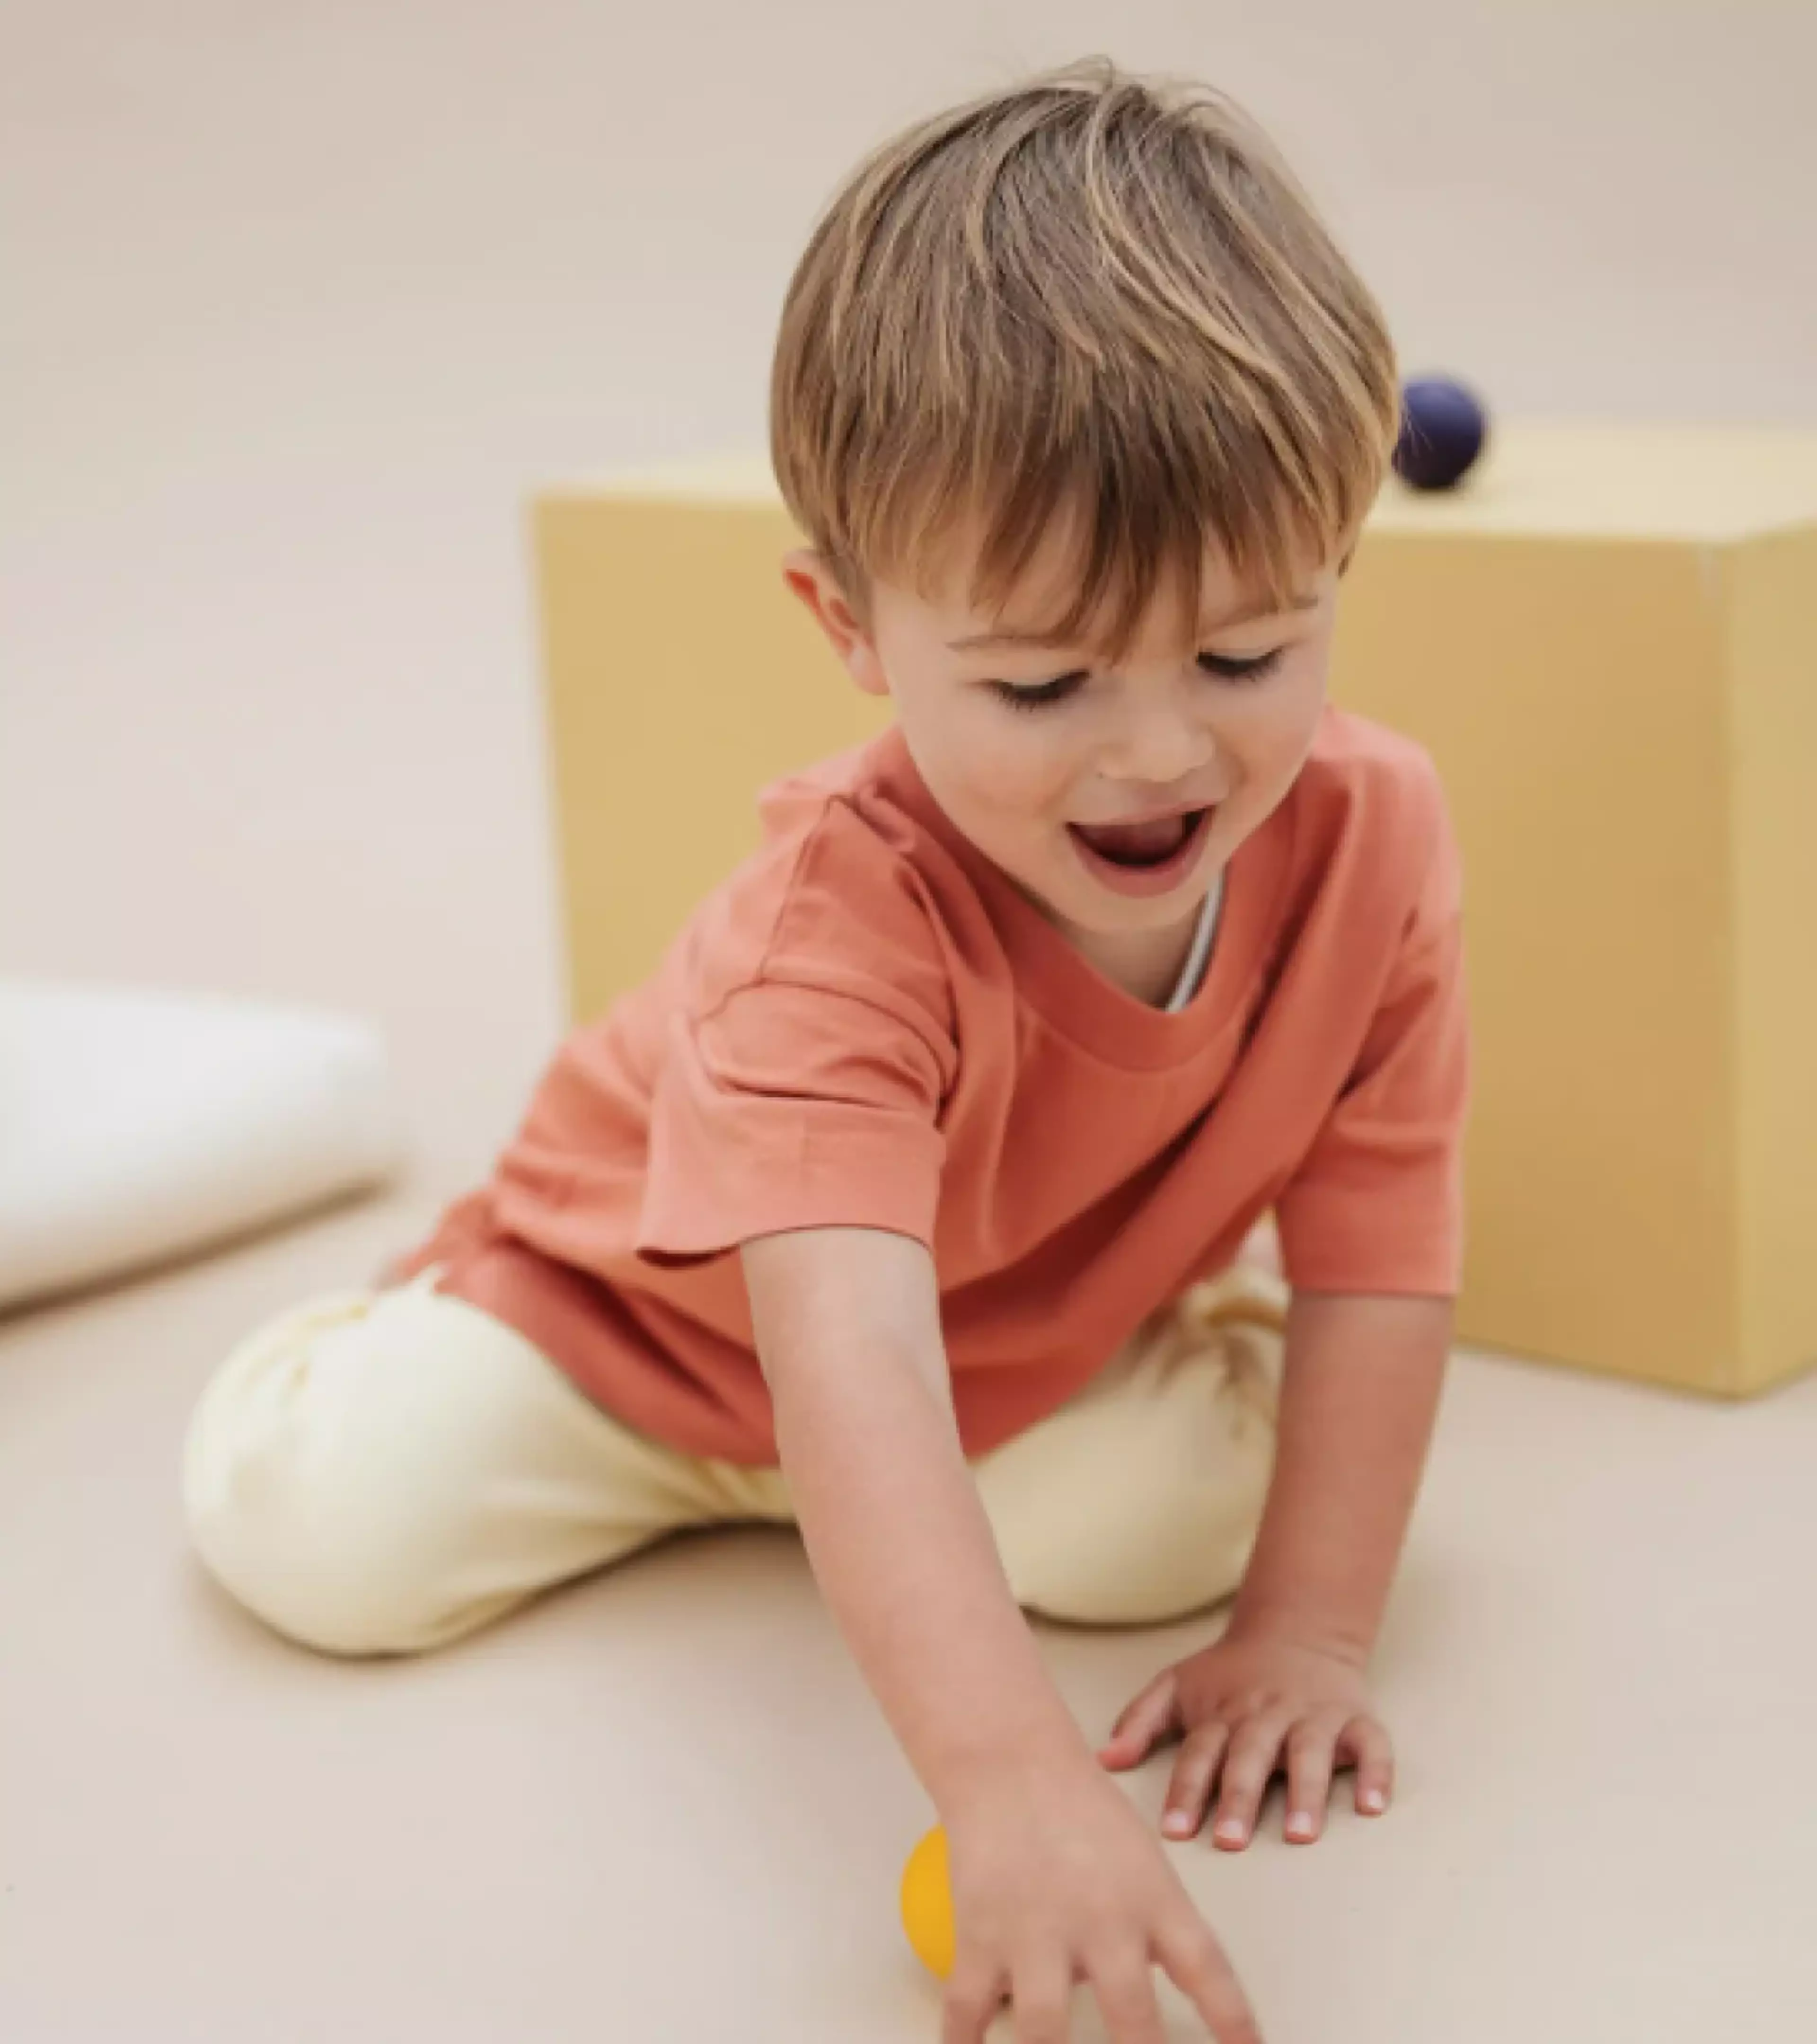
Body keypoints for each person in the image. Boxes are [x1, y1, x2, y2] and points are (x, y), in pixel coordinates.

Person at [184, 61, 1467, 2044]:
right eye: (1041, 682)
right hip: (639, 1335)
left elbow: (1381, 1231)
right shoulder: (833, 939)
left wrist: (1308, 1627)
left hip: (987, 1353)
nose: (1156, 754)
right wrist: (1014, 1785)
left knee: (1186, 1547)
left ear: (1335, 569)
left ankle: (992, 1470)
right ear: (850, 626)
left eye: (1245, 654)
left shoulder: (1378, 837)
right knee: (325, 1546)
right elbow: (840, 1350)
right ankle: (391, 1327)